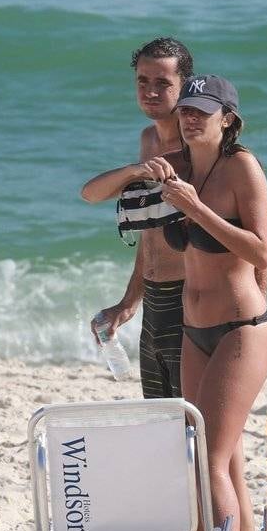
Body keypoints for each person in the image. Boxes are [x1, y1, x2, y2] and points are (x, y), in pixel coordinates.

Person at [82, 75, 267, 531]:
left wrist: (195, 209)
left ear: (228, 119)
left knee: (207, 458)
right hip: (194, 331)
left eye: (203, 112)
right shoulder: (180, 168)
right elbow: (92, 194)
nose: (191, 119)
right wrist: (142, 172)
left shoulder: (243, 168)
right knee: (226, 462)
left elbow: (262, 248)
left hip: (243, 328)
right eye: (186, 110)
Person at [82, 37, 192, 399]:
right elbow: (95, 197)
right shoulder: (149, 140)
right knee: (163, 415)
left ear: (185, 86)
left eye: (163, 83)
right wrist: (129, 303)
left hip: (191, 298)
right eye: (143, 81)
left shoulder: (197, 147)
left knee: (199, 420)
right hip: (156, 300)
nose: (150, 91)